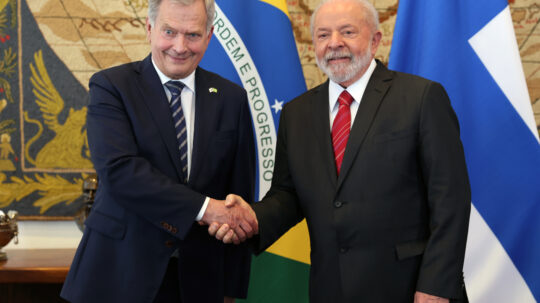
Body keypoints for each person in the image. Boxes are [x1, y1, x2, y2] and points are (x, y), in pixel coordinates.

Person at [208, 0, 471, 302]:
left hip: (409, 289)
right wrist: (252, 217)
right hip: (330, 289)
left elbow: (451, 202)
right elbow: (288, 195)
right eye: (323, 35)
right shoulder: (298, 113)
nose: (334, 43)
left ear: (375, 41)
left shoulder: (421, 98)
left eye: (347, 31)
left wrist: (436, 287)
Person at [61, 0, 258, 302]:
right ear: (150, 29)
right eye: (169, 31)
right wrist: (207, 208)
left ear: (210, 36)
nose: (179, 46)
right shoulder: (111, 87)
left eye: (192, 34)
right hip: (118, 274)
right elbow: (121, 172)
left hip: (199, 281)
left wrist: (231, 288)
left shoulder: (232, 99)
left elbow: (238, 193)